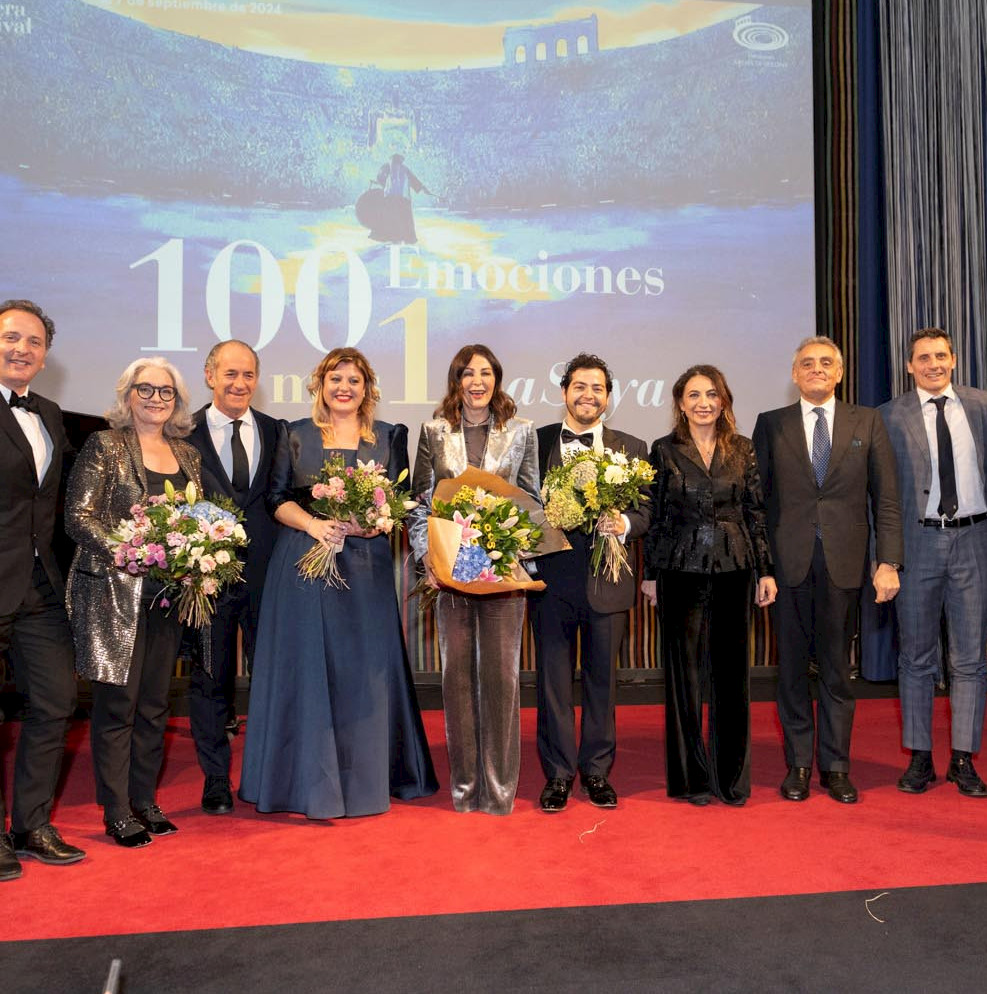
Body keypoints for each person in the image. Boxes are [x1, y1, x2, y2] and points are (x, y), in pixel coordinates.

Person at [239, 348, 436, 818]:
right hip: (304, 563)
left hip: (364, 568)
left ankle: (365, 779)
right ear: (320, 385)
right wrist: (313, 525)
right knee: (308, 667)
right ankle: (305, 782)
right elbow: (275, 499)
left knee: (362, 670)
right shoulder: (294, 434)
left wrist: (372, 524)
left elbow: (402, 501)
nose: (344, 387)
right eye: (335, 378)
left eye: (354, 379)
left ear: (368, 388)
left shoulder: (391, 437)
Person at [753, 336, 903, 804]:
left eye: (825, 363)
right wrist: (764, 568)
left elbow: (888, 499)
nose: (816, 369)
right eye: (807, 363)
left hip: (846, 565)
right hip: (788, 567)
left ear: (839, 372)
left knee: (837, 672)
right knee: (792, 672)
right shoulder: (771, 424)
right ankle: (798, 765)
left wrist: (888, 562)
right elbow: (756, 505)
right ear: (794, 374)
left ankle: (835, 766)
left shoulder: (868, 421)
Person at [65, 357, 202, 847]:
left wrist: (198, 550)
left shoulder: (188, 455)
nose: (156, 399)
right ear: (127, 395)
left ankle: (145, 799)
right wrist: (132, 552)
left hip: (165, 595)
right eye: (146, 389)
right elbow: (78, 518)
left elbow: (195, 518)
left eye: (166, 392)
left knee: (154, 703)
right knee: (117, 704)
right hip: (111, 590)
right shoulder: (104, 445)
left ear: (177, 402)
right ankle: (116, 809)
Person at [408, 345, 539, 815]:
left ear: (497, 379)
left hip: (503, 576)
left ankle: (500, 790)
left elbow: (532, 502)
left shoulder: (521, 432)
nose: (477, 381)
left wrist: (510, 551)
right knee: (457, 679)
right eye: (468, 373)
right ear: (456, 380)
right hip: (451, 578)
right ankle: (465, 789)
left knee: (502, 680)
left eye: (486, 373)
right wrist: (432, 559)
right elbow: (419, 505)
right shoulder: (434, 432)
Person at [641, 365, 776, 806]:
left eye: (711, 394)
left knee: (732, 676)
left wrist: (765, 570)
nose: (703, 402)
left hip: (735, 570)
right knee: (686, 680)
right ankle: (692, 779)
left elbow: (756, 512)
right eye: (694, 395)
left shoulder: (743, 449)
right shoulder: (663, 451)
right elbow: (657, 519)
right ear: (681, 403)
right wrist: (650, 576)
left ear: (724, 401)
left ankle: (730, 779)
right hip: (679, 572)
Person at [528, 353, 649, 813]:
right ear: (564, 392)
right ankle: (558, 775)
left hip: (608, 581)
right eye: (579, 386)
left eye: (597, 388)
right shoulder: (535, 443)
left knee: (604, 683)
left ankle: (596, 771)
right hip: (551, 583)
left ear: (608, 398)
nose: (588, 395)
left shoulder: (631, 447)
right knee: (553, 684)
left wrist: (623, 522)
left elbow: (647, 512)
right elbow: (520, 504)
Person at [879, 329, 987, 797]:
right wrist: (885, 559)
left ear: (954, 359)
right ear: (909, 366)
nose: (933, 364)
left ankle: (963, 758)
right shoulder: (887, 417)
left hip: (974, 541)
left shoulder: (982, 406)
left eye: (941, 355)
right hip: (916, 546)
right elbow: (880, 498)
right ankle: (920, 758)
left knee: (971, 660)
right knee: (916, 659)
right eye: (923, 358)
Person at [0, 299, 85, 881]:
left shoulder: (52, 413)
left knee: (56, 700)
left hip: (39, 584)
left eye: (34, 341)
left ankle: (30, 823)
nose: (22, 349)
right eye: (11, 337)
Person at [186, 340, 284, 815]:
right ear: (209, 375)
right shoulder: (182, 433)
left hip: (269, 578)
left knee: (271, 677)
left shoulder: (276, 430)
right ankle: (216, 779)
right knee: (210, 681)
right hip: (206, 582)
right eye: (229, 374)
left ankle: (270, 771)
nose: (239, 384)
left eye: (248, 375)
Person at [368, 153, 433, 244]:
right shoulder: (391, 168)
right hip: (397, 199)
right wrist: (423, 189)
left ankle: (397, 238)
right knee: (395, 219)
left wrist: (423, 189)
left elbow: (380, 179)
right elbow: (381, 179)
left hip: (397, 199)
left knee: (396, 219)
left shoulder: (399, 169)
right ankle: (398, 238)